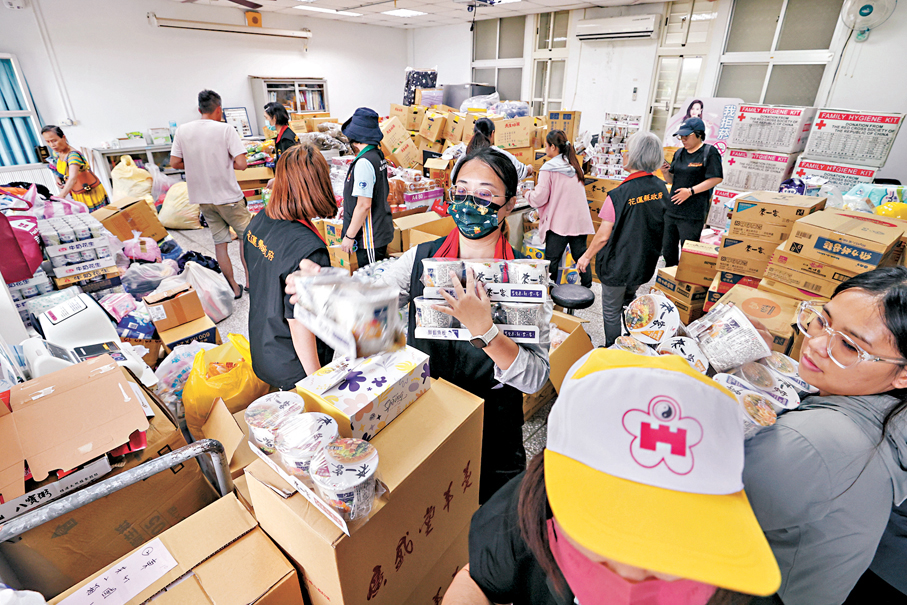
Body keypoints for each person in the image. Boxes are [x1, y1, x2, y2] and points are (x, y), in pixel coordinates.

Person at [286, 146, 551, 503]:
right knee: (435, 507)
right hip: (428, 411)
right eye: (463, 191)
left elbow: (535, 378)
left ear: (508, 204)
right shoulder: (422, 258)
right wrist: (324, 289)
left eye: (486, 194)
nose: (471, 202)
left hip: (493, 427)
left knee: (489, 511)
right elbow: (372, 313)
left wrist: (486, 332)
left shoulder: (525, 278)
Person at [444, 349, 781, 605]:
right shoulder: (530, 507)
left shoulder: (740, 587)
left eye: (673, 536)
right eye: (608, 525)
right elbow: (479, 582)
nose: (632, 571)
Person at [741, 266, 907, 605]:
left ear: (903, 374)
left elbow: (700, 503)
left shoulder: (812, 443)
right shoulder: (891, 411)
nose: (815, 344)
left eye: (847, 345)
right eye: (822, 320)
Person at [244, 145, 336, 390]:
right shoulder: (309, 250)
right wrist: (317, 381)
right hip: (293, 361)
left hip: (263, 342)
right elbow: (299, 322)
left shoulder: (260, 220)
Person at [577, 132, 669, 346]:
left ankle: (613, 348)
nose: (624, 154)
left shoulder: (618, 195)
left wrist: (585, 257)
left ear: (635, 156)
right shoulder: (660, 189)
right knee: (630, 303)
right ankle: (633, 344)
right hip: (643, 264)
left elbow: (602, 237)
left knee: (611, 309)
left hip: (618, 265)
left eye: (627, 150)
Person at [170, 89, 250, 299]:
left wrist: (199, 163)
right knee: (246, 239)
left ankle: (233, 287)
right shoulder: (225, 129)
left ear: (199, 109)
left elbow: (174, 162)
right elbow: (242, 164)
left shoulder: (183, 130)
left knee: (220, 243)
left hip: (204, 199)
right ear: (219, 109)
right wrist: (222, 161)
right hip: (229, 198)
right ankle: (251, 282)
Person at [524, 129, 594, 287]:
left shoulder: (548, 168)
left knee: (551, 261)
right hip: (579, 221)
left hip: (559, 223)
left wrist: (526, 192)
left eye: (546, 145)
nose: (545, 148)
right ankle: (587, 288)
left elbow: (539, 198)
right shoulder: (575, 166)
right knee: (581, 256)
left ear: (553, 147)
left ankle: (550, 292)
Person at [659, 117, 723, 267]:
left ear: (699, 134)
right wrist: (665, 172)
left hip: (692, 213)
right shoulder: (680, 153)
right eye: (681, 136)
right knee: (668, 250)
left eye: (686, 136)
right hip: (672, 209)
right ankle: (668, 278)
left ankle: (683, 283)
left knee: (688, 252)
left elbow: (716, 178)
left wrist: (690, 191)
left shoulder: (709, 152)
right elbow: (672, 180)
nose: (683, 139)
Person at [339, 107, 394, 268]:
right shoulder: (376, 155)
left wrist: (349, 237)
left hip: (370, 238)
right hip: (379, 229)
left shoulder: (364, 162)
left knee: (371, 282)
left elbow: (364, 205)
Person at [42, 125, 109, 212]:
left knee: (99, 217)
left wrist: (61, 196)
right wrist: (58, 177)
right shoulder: (57, 153)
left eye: (54, 141)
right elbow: (58, 167)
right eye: (48, 141)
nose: (52, 145)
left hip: (89, 193)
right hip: (76, 191)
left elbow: (73, 178)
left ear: (63, 137)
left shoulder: (73, 155)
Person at [459, 117, 533, 180]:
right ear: (492, 133)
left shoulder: (465, 154)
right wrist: (529, 168)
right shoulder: (498, 154)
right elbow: (521, 172)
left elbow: (453, 177)